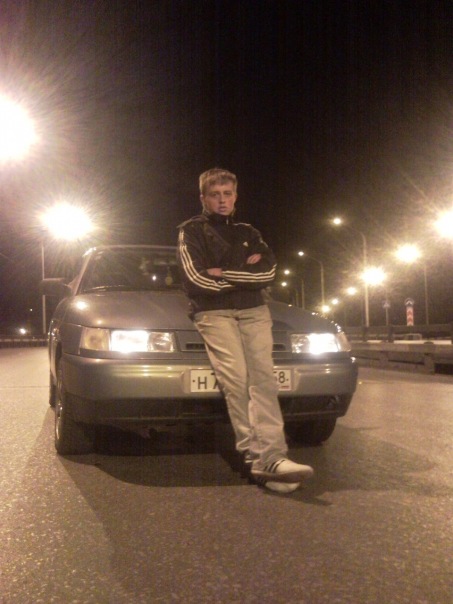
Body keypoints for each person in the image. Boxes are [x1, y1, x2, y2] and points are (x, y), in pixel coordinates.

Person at [176, 168, 314, 494]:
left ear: (235, 196)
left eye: (227, 194)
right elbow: (195, 279)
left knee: (263, 379)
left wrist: (223, 272)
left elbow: (267, 273)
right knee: (237, 380)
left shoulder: (249, 232)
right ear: (203, 198)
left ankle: (274, 458)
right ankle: (258, 460)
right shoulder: (190, 231)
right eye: (215, 195)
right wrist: (243, 274)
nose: (222, 200)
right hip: (214, 314)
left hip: (255, 312)